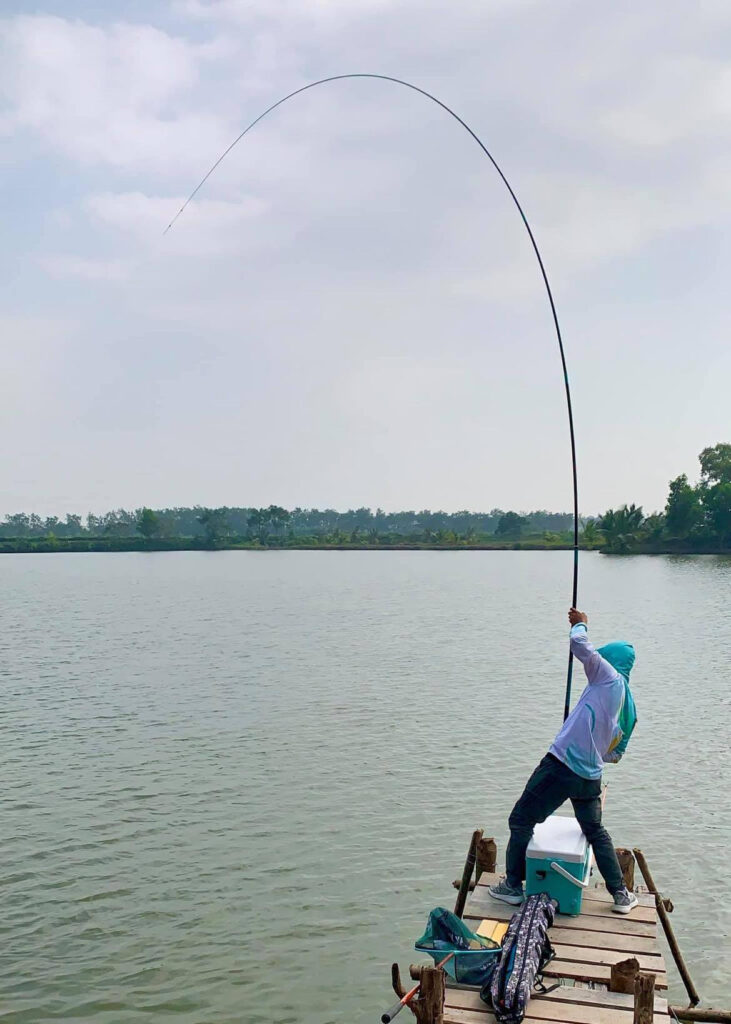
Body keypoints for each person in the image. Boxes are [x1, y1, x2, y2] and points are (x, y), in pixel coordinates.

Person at [488, 607, 639, 914]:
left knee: (520, 820)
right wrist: (587, 739)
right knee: (595, 831)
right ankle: (621, 894)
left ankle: (513, 886)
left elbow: (581, 647)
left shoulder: (607, 677)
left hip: (561, 766)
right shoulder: (625, 700)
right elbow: (614, 754)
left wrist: (580, 624)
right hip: (589, 775)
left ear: (610, 661)